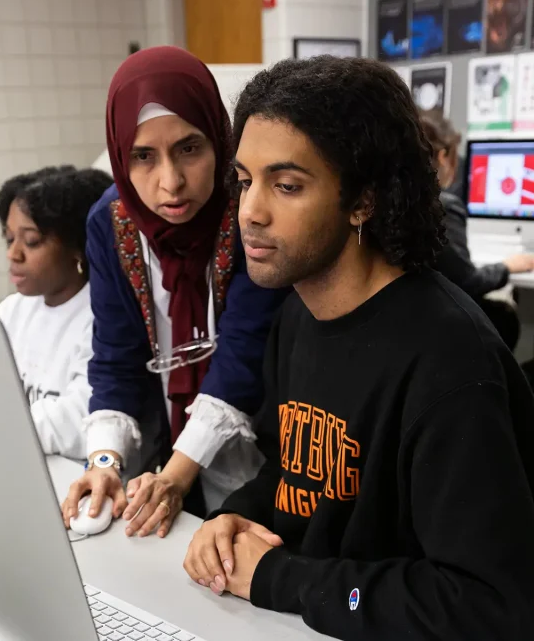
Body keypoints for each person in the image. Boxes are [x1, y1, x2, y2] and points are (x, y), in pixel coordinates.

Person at [185, 57, 534, 640]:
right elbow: (297, 475)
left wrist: (281, 578)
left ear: (363, 201)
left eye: (287, 185)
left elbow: (488, 604)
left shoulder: (449, 363)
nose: (250, 211)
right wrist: (233, 517)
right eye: (245, 181)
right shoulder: (298, 313)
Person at [60, 47, 288, 537]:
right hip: (160, 447)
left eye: (189, 148)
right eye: (143, 156)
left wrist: (175, 478)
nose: (171, 182)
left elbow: (243, 354)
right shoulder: (111, 221)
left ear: (220, 142)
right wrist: (103, 461)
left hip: (263, 455)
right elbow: (116, 357)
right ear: (121, 156)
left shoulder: (249, 209)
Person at [0, 166, 113, 460]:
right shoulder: (12, 311)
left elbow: (77, 422)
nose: (13, 254)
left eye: (31, 241)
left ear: (79, 246)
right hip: (18, 456)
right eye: (10, 239)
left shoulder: (104, 316)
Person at [419, 110, 532, 350]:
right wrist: (507, 267)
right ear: (442, 156)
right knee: (505, 315)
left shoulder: (390, 202)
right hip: (442, 324)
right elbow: (468, 282)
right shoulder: (442, 207)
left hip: (414, 320)